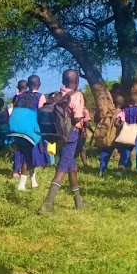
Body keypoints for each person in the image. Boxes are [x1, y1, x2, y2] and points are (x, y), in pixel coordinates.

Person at [39, 69, 86, 215]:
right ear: (76, 81)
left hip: (56, 135)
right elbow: (77, 118)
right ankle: (47, 204)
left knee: (72, 167)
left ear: (63, 81)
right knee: (62, 167)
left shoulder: (55, 95)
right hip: (70, 135)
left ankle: (78, 201)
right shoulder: (77, 95)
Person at [98, 94, 125, 176]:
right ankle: (121, 170)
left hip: (108, 136)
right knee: (123, 153)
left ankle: (102, 169)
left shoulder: (109, 113)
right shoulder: (122, 113)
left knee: (105, 152)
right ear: (122, 103)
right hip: (117, 136)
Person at [11, 80, 28, 178]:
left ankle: (16, 171)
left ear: (18, 87)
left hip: (17, 125)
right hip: (27, 126)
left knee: (17, 148)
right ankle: (24, 169)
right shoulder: (29, 97)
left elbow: (11, 110)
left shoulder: (15, 97)